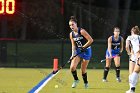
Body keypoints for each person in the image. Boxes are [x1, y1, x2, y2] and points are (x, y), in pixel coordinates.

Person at [69, 16, 93, 88]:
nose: (71, 26)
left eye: (73, 24)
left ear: (76, 24)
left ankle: (86, 83)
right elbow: (73, 45)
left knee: (83, 70)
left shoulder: (82, 31)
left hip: (87, 51)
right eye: (70, 25)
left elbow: (91, 40)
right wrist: (72, 54)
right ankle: (76, 80)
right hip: (78, 51)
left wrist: (83, 47)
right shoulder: (71, 34)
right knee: (72, 67)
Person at [125, 26, 140, 93]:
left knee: (132, 73)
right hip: (137, 55)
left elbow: (127, 46)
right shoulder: (139, 37)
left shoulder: (130, 37)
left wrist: (129, 53)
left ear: (132, 32)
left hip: (134, 56)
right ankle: (132, 89)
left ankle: (132, 89)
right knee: (135, 72)